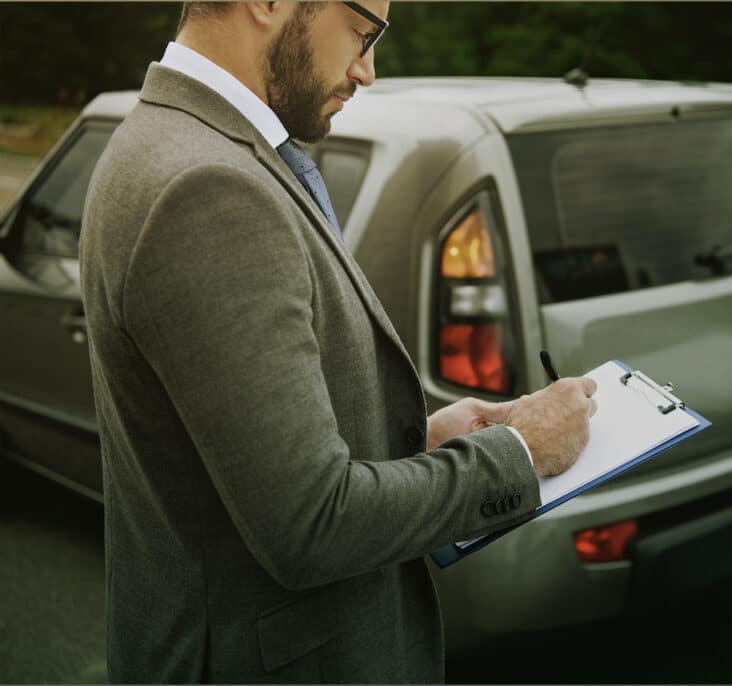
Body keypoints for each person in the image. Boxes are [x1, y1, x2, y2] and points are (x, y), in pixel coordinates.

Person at [79, 2, 597, 683]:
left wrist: (417, 440)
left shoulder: (173, 141)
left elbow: (243, 455)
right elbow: (310, 525)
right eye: (364, 29)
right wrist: (521, 454)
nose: (368, 69)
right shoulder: (208, 187)